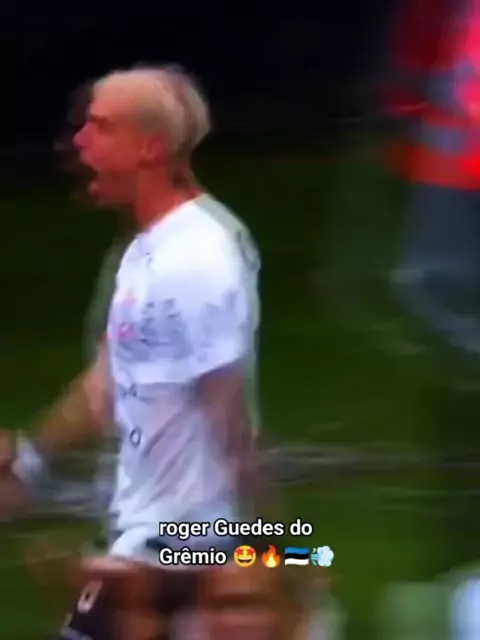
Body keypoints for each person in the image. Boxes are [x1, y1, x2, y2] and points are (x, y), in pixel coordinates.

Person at [0, 65, 300, 640]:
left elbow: (230, 419)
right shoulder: (145, 253)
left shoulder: (198, 259)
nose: (79, 142)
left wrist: (279, 551)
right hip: (151, 542)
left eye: (101, 127)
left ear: (151, 147)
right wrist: (27, 464)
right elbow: (106, 384)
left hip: (183, 548)